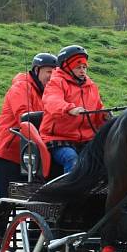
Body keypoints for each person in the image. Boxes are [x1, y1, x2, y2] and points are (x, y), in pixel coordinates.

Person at [0, 53, 57, 198]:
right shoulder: (21, 87)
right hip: (8, 152)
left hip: (31, 155)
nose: (52, 76)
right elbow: (24, 116)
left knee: (35, 199)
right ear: (37, 70)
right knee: (5, 200)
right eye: (49, 72)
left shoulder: (46, 93)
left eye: (55, 72)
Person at [40, 45, 107, 174]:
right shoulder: (56, 82)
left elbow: (98, 109)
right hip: (58, 139)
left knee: (106, 156)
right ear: (67, 67)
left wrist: (104, 115)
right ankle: (70, 192)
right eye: (78, 67)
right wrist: (70, 109)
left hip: (86, 140)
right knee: (71, 158)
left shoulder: (91, 86)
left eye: (84, 67)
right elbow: (52, 101)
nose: (82, 71)